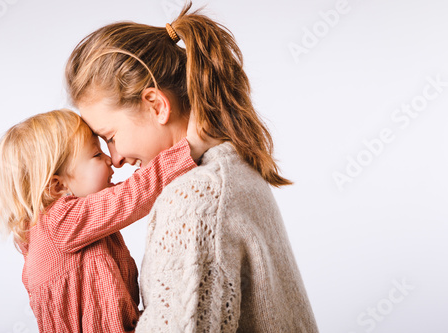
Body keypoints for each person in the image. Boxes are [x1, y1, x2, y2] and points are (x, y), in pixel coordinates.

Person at [65, 2, 319, 332]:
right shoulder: (232, 166)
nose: (114, 160)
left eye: (110, 137)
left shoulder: (194, 198)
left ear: (156, 105)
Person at [0, 109, 213, 332]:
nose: (110, 159)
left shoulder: (61, 228)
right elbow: (133, 194)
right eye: (96, 155)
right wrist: (191, 146)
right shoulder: (60, 223)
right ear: (58, 186)